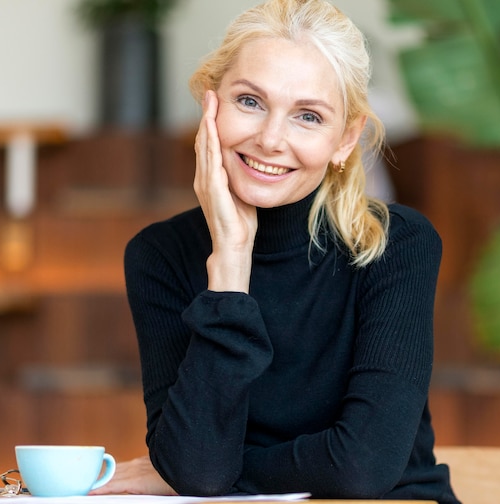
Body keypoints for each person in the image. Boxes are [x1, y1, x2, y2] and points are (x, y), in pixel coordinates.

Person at [93, 0, 460, 502]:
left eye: (308, 116)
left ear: (344, 140)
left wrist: (204, 472)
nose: (270, 139)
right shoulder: (159, 255)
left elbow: (361, 470)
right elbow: (200, 472)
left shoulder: (397, 245)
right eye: (250, 101)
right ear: (211, 103)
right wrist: (230, 267)